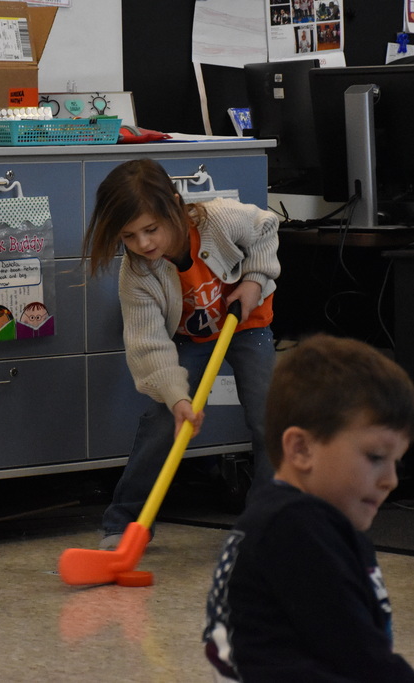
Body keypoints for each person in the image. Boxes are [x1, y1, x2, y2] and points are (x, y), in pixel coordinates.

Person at [203, 334, 414, 682]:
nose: (391, 480)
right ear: (301, 449)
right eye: (376, 457)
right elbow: (361, 657)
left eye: (396, 462)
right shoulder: (295, 530)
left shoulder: (298, 522)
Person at [82, 158, 279, 549]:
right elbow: (148, 344)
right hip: (191, 338)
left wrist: (255, 279)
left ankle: (268, 520)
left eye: (151, 229)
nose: (143, 244)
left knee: (268, 418)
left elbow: (266, 227)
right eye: (129, 236)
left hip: (248, 324)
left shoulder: (218, 220)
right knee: (162, 425)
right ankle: (124, 524)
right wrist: (177, 398)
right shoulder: (137, 273)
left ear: (174, 204)